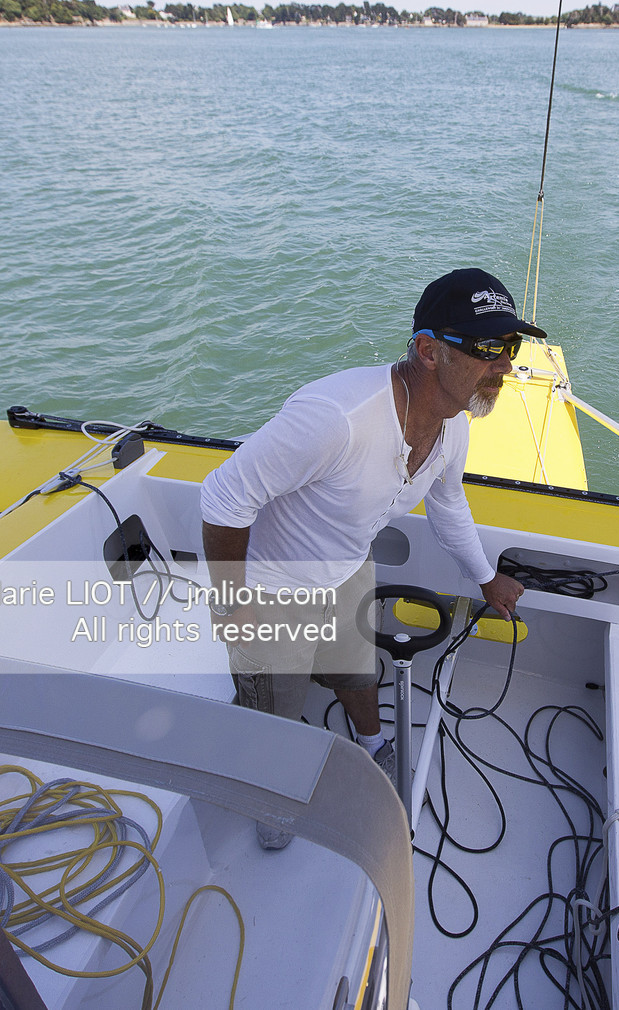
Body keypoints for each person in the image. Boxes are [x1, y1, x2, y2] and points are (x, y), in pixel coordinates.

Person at [199, 267, 536, 848]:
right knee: (270, 709)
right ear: (429, 351)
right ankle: (269, 791)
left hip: (348, 568)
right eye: (488, 348)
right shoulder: (337, 417)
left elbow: (448, 504)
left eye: (511, 346)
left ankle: (373, 744)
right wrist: (233, 605)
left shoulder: (452, 428)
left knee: (358, 670)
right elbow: (224, 496)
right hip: (272, 590)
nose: (505, 364)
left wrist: (485, 579)